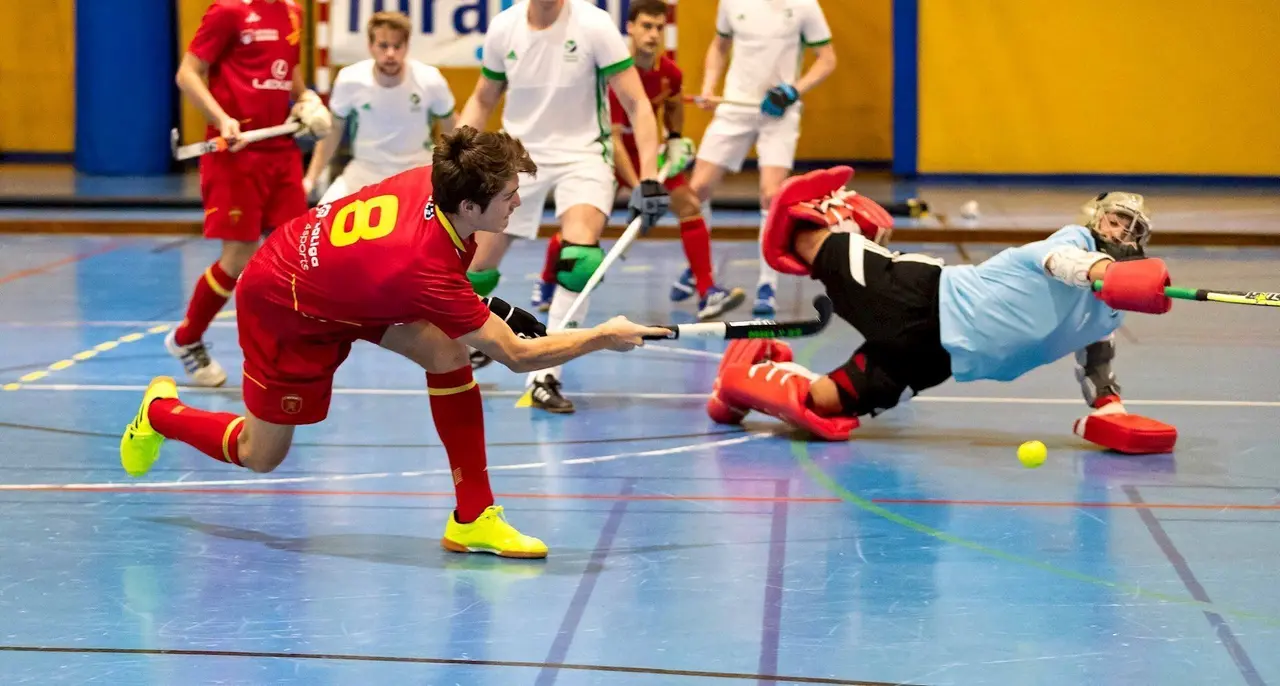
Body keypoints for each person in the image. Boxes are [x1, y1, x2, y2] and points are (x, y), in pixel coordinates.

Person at [120, 127, 668, 559]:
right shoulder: (423, 263)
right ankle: (161, 412)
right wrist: (602, 335)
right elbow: (516, 356)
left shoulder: (441, 183)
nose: (519, 203)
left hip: (347, 282)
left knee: (447, 352)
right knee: (260, 454)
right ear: (469, 207)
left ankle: (473, 517)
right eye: (508, 196)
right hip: (284, 305)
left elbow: (414, 278)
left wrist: (492, 308)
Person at [706, 166, 1178, 455]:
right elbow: (1061, 263)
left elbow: (1097, 360)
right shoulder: (1074, 243)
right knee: (805, 238)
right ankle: (833, 213)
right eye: (1115, 220)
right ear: (1097, 219)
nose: (1121, 232)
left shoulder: (1111, 309)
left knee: (823, 404)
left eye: (1131, 228)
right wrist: (1103, 270)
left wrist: (1110, 409)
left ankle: (742, 377)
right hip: (924, 299)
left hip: (939, 359)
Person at [456, 0, 670, 414]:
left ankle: (545, 374)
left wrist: (649, 177)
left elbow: (638, 104)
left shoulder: (595, 25)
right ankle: (480, 338)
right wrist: (455, 158)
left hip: (583, 156)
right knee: (471, 268)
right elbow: (482, 99)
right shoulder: (504, 27)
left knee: (579, 262)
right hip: (517, 156)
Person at [531, 0, 745, 321]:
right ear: (630, 28)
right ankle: (547, 281)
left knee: (689, 205)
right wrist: (641, 188)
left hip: (645, 156)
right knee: (584, 227)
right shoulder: (615, 71)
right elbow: (615, 140)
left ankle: (707, 293)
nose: (653, 34)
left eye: (659, 27)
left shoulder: (670, 73)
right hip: (603, 154)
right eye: (646, 26)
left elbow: (673, 106)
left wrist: (675, 139)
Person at [169, 0, 333, 387]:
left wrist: (306, 100)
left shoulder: (292, 11)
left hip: (281, 151)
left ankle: (286, 349)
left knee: (295, 252)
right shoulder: (227, 11)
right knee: (239, 256)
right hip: (235, 155)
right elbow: (187, 73)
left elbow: (288, 71)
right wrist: (221, 119)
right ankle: (186, 338)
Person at [686, 0, 837, 318]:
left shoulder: (804, 6)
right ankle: (700, 266)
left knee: (771, 195)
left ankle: (767, 285)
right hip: (735, 107)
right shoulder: (731, 3)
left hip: (779, 112)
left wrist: (793, 90)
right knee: (696, 191)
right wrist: (709, 86)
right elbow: (719, 45)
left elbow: (827, 59)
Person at [303, 11, 457, 204]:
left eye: (397, 46)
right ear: (370, 46)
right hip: (365, 170)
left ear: (407, 46)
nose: (390, 53)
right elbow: (333, 130)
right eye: (383, 46)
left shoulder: (430, 79)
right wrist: (310, 179)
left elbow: (452, 127)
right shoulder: (350, 79)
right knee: (323, 215)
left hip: (418, 170)